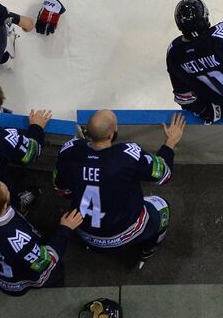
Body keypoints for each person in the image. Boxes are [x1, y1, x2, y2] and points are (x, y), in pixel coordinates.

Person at [53, 111, 184, 267]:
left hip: (82, 230)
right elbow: (164, 175)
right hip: (123, 234)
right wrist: (170, 142)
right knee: (161, 205)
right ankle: (148, 250)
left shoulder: (69, 150)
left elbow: (61, 189)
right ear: (111, 135)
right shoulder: (127, 156)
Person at [0, 178, 83, 295]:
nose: (8, 189)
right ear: (5, 204)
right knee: (54, 272)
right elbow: (45, 263)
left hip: (0, 265)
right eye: (7, 190)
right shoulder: (18, 241)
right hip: (17, 282)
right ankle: (56, 294)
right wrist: (65, 228)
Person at [0, 83, 49, 213]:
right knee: (6, 202)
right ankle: (17, 208)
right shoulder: (5, 138)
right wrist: (37, 127)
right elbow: (31, 154)